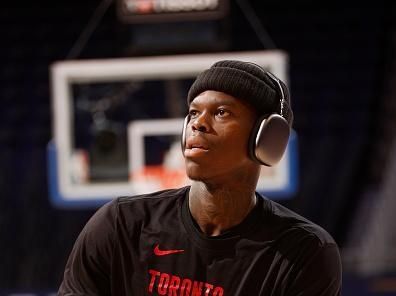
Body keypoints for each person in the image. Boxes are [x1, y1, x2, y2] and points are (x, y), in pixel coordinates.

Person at [58, 60, 342, 295]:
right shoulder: (120, 226)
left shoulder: (304, 253)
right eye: (193, 112)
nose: (198, 123)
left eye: (221, 112)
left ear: (267, 139)